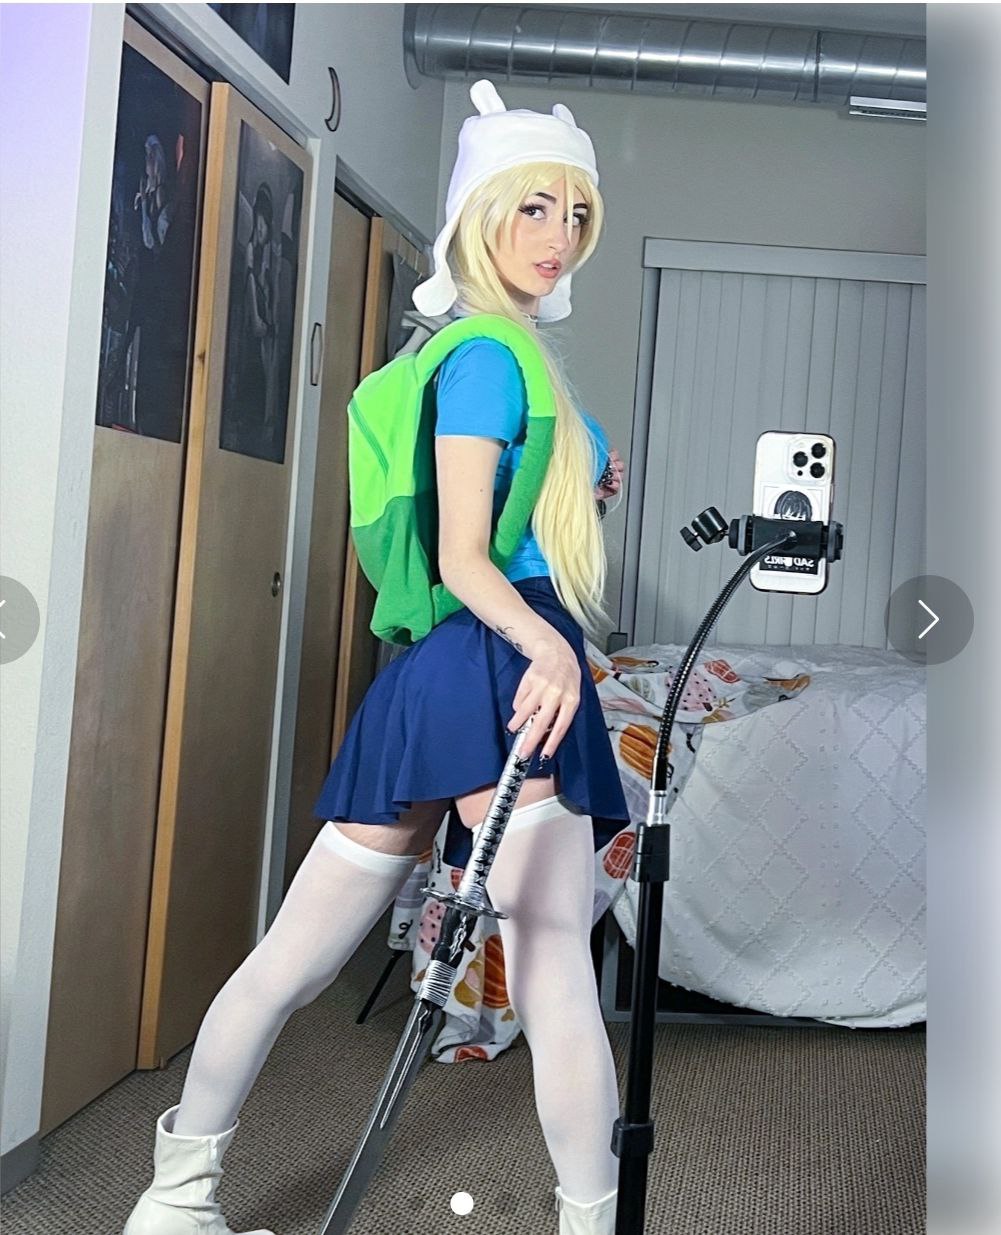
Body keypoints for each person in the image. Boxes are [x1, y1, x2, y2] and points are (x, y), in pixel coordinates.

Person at [123, 79, 631, 1235]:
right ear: (479, 212)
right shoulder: (488, 357)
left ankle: (172, 1199)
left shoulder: (502, 358)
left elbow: (496, 515)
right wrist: (547, 648)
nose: (557, 235)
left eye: (574, 213)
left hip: (436, 675)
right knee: (553, 961)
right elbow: (462, 557)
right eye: (532, 207)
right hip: (497, 659)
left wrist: (583, 475)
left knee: (292, 959)